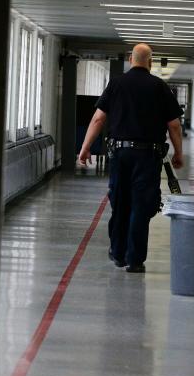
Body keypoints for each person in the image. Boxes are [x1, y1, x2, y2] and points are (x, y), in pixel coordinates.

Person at [78, 43, 184, 273]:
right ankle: (135, 259)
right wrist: (178, 153)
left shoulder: (116, 84)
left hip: (120, 154)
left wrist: (85, 147)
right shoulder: (159, 86)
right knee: (141, 206)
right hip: (148, 156)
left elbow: (98, 119)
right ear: (151, 62)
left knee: (120, 202)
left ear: (130, 59)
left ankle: (118, 254)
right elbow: (174, 125)